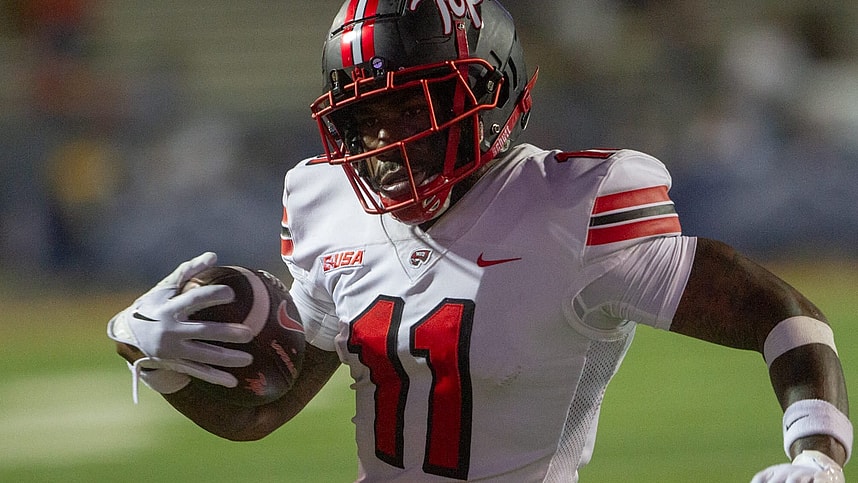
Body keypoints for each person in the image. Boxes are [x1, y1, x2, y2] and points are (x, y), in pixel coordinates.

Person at [107, 1, 851, 481]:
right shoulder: (324, 199)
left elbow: (779, 312)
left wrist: (818, 449)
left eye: (410, 108)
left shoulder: (575, 206)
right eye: (364, 119)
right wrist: (152, 357)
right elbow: (264, 412)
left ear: (489, 95)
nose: (385, 142)